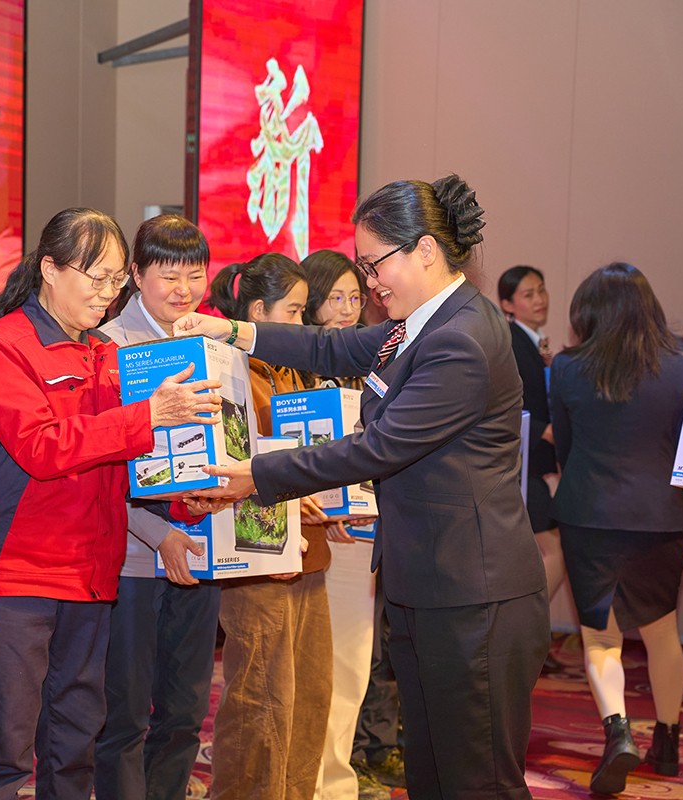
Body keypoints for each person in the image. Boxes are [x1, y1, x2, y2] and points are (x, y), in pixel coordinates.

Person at [176, 175, 550, 800]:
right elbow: (336, 347)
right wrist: (235, 332)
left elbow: (378, 448)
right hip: (430, 584)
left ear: (425, 250)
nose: (371, 283)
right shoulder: (423, 323)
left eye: (375, 264)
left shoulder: (459, 339)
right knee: (434, 773)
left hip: (473, 597)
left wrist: (255, 476)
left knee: (478, 780)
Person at [0, 207, 221, 800]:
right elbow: (42, 448)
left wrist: (188, 492)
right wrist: (147, 417)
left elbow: (125, 462)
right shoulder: (4, 346)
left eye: (114, 280)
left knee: (75, 744)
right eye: (95, 277)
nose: (106, 293)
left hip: (92, 573)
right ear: (50, 269)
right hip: (21, 574)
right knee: (5, 747)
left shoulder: (103, 351)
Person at [547, 262, 683, 794]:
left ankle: (619, 733)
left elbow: (564, 448)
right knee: (663, 633)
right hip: (662, 519)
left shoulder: (567, 369)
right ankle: (669, 744)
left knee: (601, 638)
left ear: (588, 313)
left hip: (588, 515)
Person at [94, 215, 220, 800]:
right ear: (136, 275)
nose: (183, 290)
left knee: (186, 709)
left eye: (195, 275)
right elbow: (98, 470)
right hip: (133, 556)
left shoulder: (213, 344)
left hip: (201, 548)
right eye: (169, 276)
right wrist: (154, 532)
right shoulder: (107, 347)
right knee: (123, 712)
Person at [205, 252, 336, 800]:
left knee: (309, 697)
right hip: (257, 555)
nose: (304, 323)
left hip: (310, 553)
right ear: (258, 311)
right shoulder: (227, 368)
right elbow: (229, 466)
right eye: (295, 311)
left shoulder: (293, 368)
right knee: (260, 703)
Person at [297, 249, 389, 800]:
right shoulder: (293, 369)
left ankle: (335, 783)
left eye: (357, 297)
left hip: (361, 537)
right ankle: (303, 782)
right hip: (305, 539)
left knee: (352, 668)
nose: (349, 309)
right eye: (336, 297)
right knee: (308, 672)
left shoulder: (373, 367)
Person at [498, 265, 565, 602]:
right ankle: (533, 626)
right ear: (507, 305)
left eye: (541, 290)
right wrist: (546, 430)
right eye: (528, 294)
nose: (540, 299)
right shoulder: (511, 342)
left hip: (534, 463)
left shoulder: (536, 342)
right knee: (554, 550)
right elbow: (503, 401)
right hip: (519, 464)